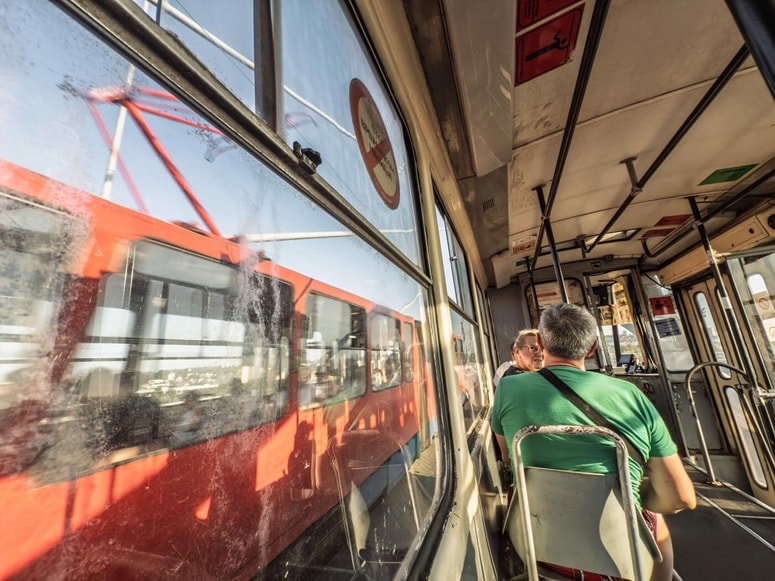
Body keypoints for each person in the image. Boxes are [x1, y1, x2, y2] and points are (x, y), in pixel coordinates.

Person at [491, 303, 696, 581]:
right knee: (658, 529)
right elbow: (681, 497)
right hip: (623, 557)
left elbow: (507, 457)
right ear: (593, 348)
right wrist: (632, 493)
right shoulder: (630, 395)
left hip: (536, 542)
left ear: (540, 342)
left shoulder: (508, 388)